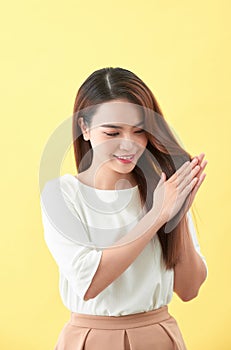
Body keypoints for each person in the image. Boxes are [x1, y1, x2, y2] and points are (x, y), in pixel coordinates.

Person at [40, 67, 208, 350]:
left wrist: (176, 216)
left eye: (139, 131)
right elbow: (89, 282)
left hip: (160, 338)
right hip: (91, 340)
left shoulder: (164, 190)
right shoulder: (62, 194)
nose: (128, 144)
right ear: (85, 128)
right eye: (113, 131)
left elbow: (189, 290)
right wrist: (157, 216)